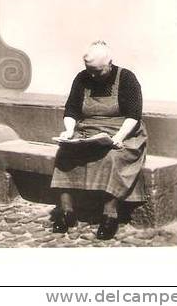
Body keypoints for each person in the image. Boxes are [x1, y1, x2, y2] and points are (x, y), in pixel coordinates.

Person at [50, 41, 147, 240]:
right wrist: (69, 131)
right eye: (89, 70)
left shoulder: (127, 78)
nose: (92, 75)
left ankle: (110, 215)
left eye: (98, 71)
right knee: (65, 153)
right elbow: (72, 110)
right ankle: (66, 211)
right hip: (88, 131)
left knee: (112, 157)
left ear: (109, 63)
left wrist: (118, 138)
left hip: (123, 131)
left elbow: (134, 114)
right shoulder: (82, 78)